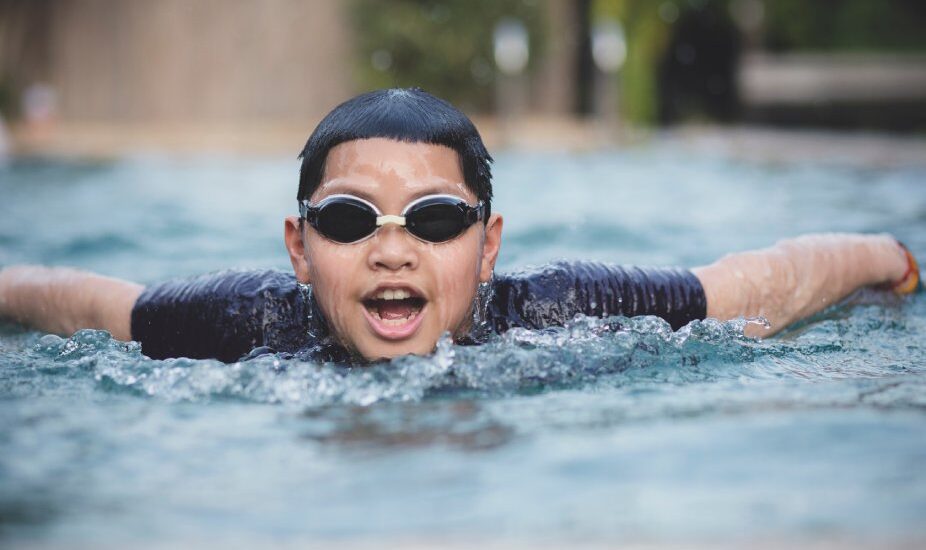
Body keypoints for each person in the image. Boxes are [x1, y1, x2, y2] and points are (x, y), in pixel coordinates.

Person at [0, 88, 920, 363]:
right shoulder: (252, 321)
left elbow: (756, 287)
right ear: (298, 249)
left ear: (487, 247)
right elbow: (85, 303)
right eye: (350, 220)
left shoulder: (561, 313)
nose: (392, 247)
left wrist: (886, 254)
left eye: (434, 220)